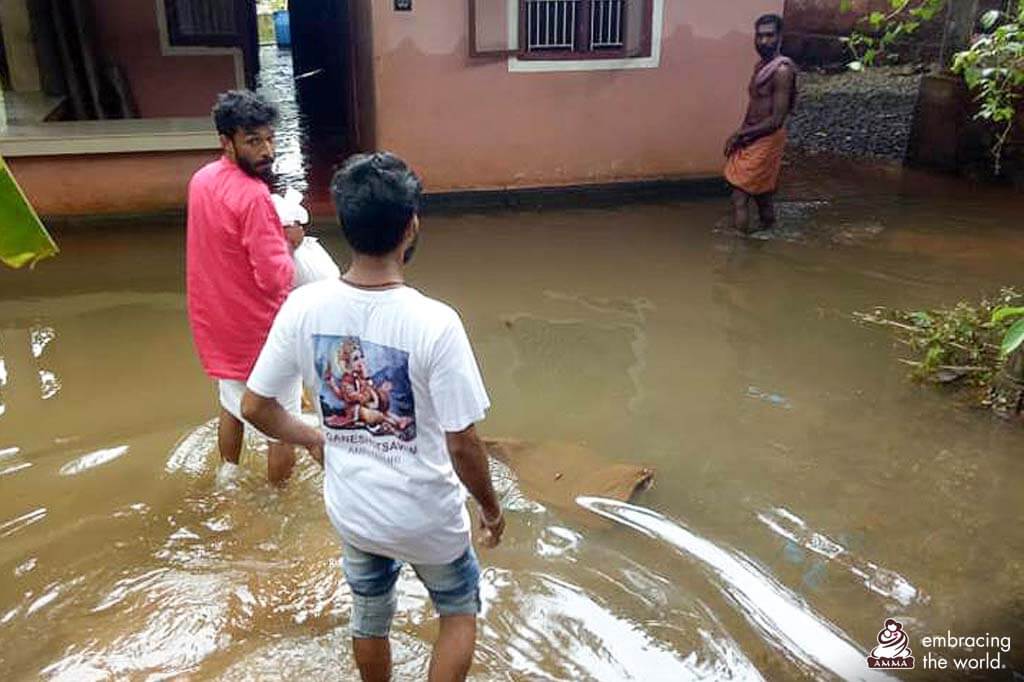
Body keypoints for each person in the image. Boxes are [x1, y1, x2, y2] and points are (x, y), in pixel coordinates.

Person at [241, 152, 504, 682]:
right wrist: (491, 508)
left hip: (356, 513)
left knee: (369, 620)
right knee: (457, 613)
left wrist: (314, 435)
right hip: (429, 520)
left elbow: (255, 407)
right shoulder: (437, 323)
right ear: (411, 226)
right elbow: (462, 444)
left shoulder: (305, 308)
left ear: (344, 224)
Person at [186, 90, 304, 485]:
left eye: (270, 138)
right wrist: (291, 242)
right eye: (254, 141)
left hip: (217, 322)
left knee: (231, 403)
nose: (267, 150)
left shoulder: (202, 180)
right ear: (227, 142)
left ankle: (228, 476)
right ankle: (278, 502)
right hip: (259, 331)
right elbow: (275, 278)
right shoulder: (254, 197)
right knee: (281, 423)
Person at [724, 14, 798, 234]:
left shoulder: (781, 71)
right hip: (753, 135)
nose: (764, 41)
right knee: (762, 195)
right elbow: (754, 106)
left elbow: (776, 120)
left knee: (739, 196)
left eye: (769, 35)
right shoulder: (761, 67)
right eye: (759, 36)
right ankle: (768, 235)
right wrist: (743, 135)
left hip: (766, 138)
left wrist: (740, 135)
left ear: (779, 37)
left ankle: (740, 253)